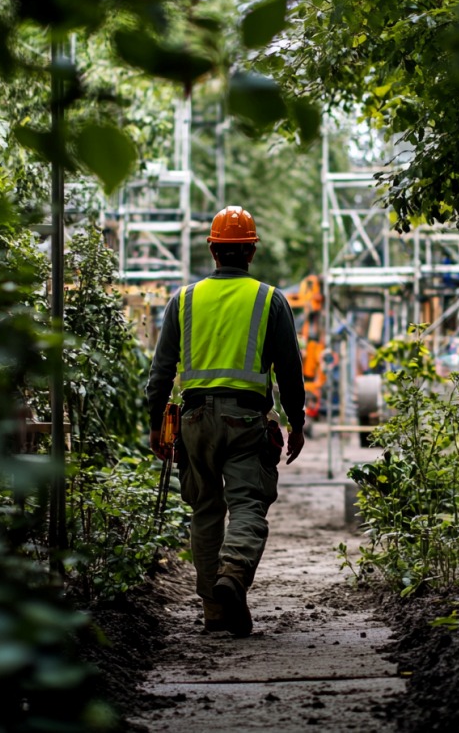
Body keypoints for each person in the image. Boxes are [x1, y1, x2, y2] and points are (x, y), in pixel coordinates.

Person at [146, 205, 306, 638]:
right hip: (246, 420)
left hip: (194, 420)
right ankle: (233, 573)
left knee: (205, 510)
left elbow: (160, 373)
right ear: (250, 251)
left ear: (214, 251)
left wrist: (154, 425)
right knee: (249, 503)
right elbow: (290, 371)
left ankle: (215, 613)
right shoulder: (269, 299)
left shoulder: (183, 299)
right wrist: (298, 422)